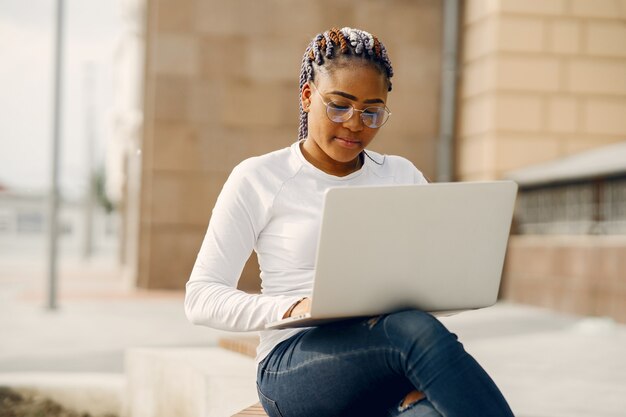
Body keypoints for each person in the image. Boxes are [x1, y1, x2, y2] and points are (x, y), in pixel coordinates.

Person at [185, 27, 514, 417]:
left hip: (387, 355)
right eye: (339, 106)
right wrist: (294, 308)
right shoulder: (260, 177)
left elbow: (438, 285)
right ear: (308, 97)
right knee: (413, 331)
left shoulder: (400, 175)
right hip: (294, 364)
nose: (356, 125)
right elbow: (201, 298)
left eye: (372, 112)